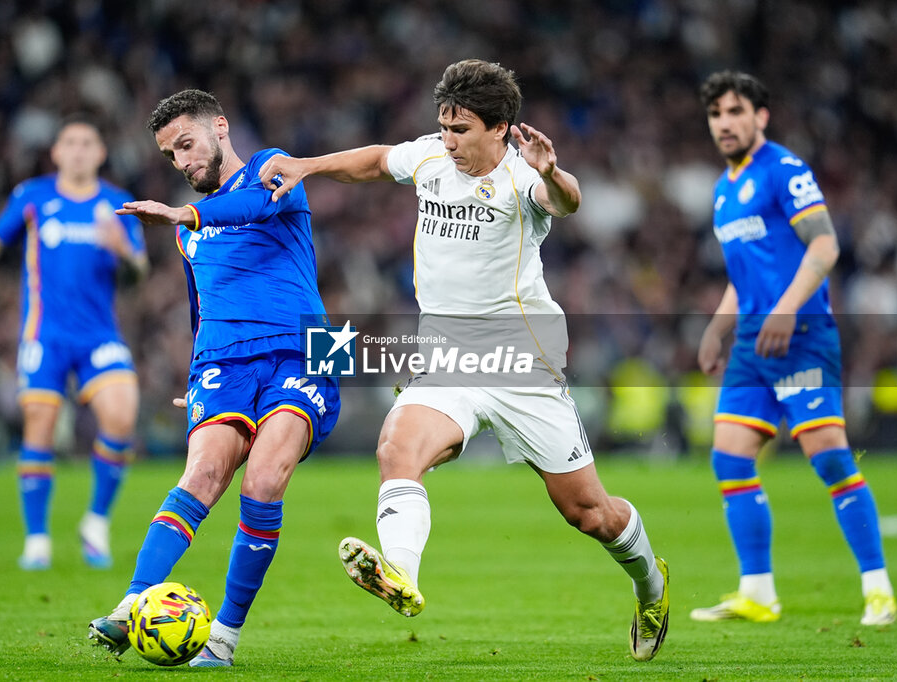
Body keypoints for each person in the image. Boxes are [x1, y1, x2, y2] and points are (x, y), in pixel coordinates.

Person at [258, 59, 669, 661]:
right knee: (397, 449)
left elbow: (567, 201)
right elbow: (377, 160)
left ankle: (650, 586)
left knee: (589, 513)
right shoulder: (430, 156)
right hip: (447, 354)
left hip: (522, 362)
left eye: (462, 130)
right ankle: (400, 573)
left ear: (499, 128)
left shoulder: (522, 177)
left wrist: (552, 172)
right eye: (444, 127)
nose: (449, 141)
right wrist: (307, 166)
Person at [86, 89, 340, 668]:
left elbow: (251, 205)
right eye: (170, 155)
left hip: (306, 351)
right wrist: (197, 377)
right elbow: (201, 309)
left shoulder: (273, 168)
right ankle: (130, 605)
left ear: (220, 127)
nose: (181, 161)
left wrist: (183, 212)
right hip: (222, 362)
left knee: (263, 480)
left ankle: (223, 636)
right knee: (201, 473)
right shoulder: (187, 234)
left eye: (186, 144)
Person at [691, 71, 897, 626]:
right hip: (752, 346)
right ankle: (758, 591)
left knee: (828, 456)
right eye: (716, 114)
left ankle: (878, 589)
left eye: (735, 111)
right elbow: (742, 277)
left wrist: (786, 308)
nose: (725, 123)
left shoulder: (784, 169)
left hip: (801, 339)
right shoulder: (723, 189)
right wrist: (716, 330)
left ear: (760, 116)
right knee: (730, 458)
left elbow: (825, 244)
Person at [0, 115, 148, 571]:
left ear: (100, 153)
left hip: (99, 335)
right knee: (40, 424)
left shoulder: (118, 204)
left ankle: (96, 522)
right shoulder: (34, 197)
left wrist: (124, 251)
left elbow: (139, 273)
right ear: (55, 152)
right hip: (45, 334)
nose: (78, 150)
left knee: (122, 418)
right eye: (70, 142)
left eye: (87, 143)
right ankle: (37, 539)